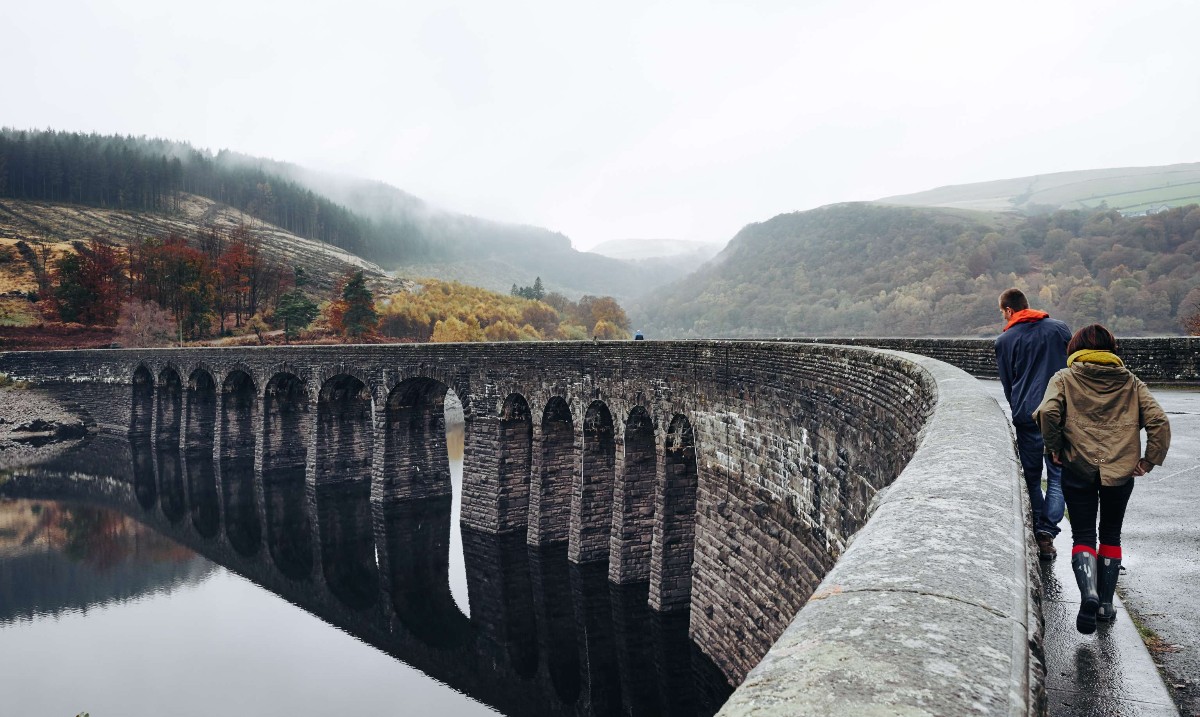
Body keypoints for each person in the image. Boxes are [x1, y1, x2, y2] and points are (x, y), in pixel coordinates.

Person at [1034, 324, 1170, 634]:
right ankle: (1106, 605)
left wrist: (1055, 448)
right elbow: (1159, 421)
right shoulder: (1130, 382)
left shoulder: (1065, 379)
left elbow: (1047, 413)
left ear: (1076, 349)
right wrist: (1148, 460)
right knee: (1111, 532)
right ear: (1111, 349)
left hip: (1077, 467)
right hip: (1120, 471)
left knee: (1083, 534)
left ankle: (1089, 594)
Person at [995, 288, 1072, 559]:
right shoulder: (1059, 329)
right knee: (1058, 475)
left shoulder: (1004, 341)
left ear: (1008, 310)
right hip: (1061, 414)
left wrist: (1018, 405)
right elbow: (1073, 368)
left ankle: (1040, 529)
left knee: (1031, 475)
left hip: (1027, 416)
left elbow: (1008, 382)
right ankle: (1047, 532)